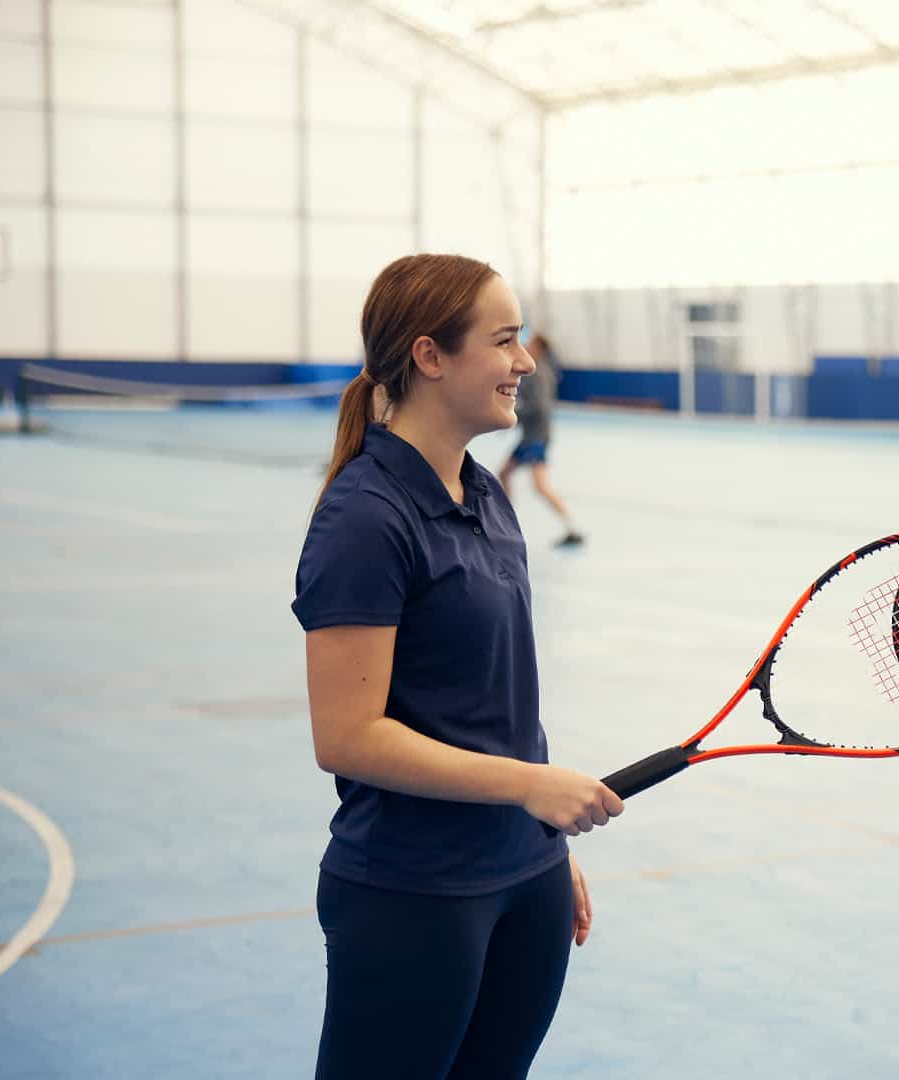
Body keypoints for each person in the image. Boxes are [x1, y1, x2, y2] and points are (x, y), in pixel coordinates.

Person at [293, 254, 625, 1079]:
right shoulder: (365, 519)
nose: (525, 361)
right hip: (416, 893)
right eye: (504, 341)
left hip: (527, 876)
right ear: (430, 356)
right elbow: (348, 736)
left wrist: (542, 835)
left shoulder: (486, 495)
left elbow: (498, 705)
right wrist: (528, 789)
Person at [499, 330, 585, 547]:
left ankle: (571, 527)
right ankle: (506, 524)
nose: (526, 344)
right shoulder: (537, 370)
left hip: (537, 437)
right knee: (504, 473)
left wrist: (513, 414)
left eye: (530, 342)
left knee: (540, 486)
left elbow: (539, 407)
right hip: (530, 436)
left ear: (539, 348)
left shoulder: (540, 373)